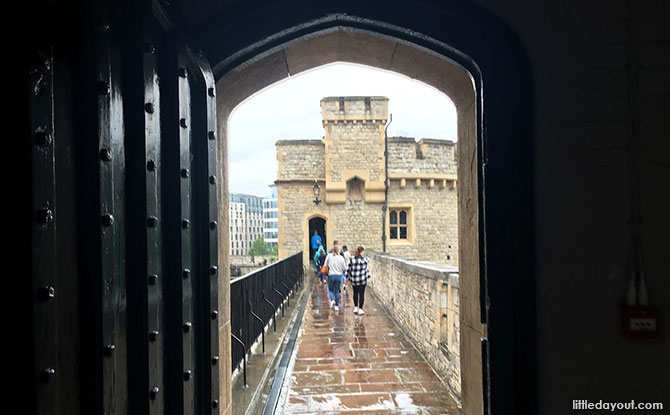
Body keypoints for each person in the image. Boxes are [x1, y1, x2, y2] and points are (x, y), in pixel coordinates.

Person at [346, 246, 371, 315]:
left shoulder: (351, 259)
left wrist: (347, 278)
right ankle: (360, 309)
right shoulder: (365, 259)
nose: (364, 253)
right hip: (362, 279)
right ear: (361, 252)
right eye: (363, 251)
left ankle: (356, 307)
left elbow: (348, 269)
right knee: (361, 294)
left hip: (354, 279)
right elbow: (368, 261)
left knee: (355, 293)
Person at [326, 245, 347, 312]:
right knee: (337, 290)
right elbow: (344, 268)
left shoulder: (329, 256)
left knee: (331, 290)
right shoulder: (341, 258)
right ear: (339, 250)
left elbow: (325, 264)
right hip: (338, 275)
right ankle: (337, 306)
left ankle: (332, 300)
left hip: (331, 275)